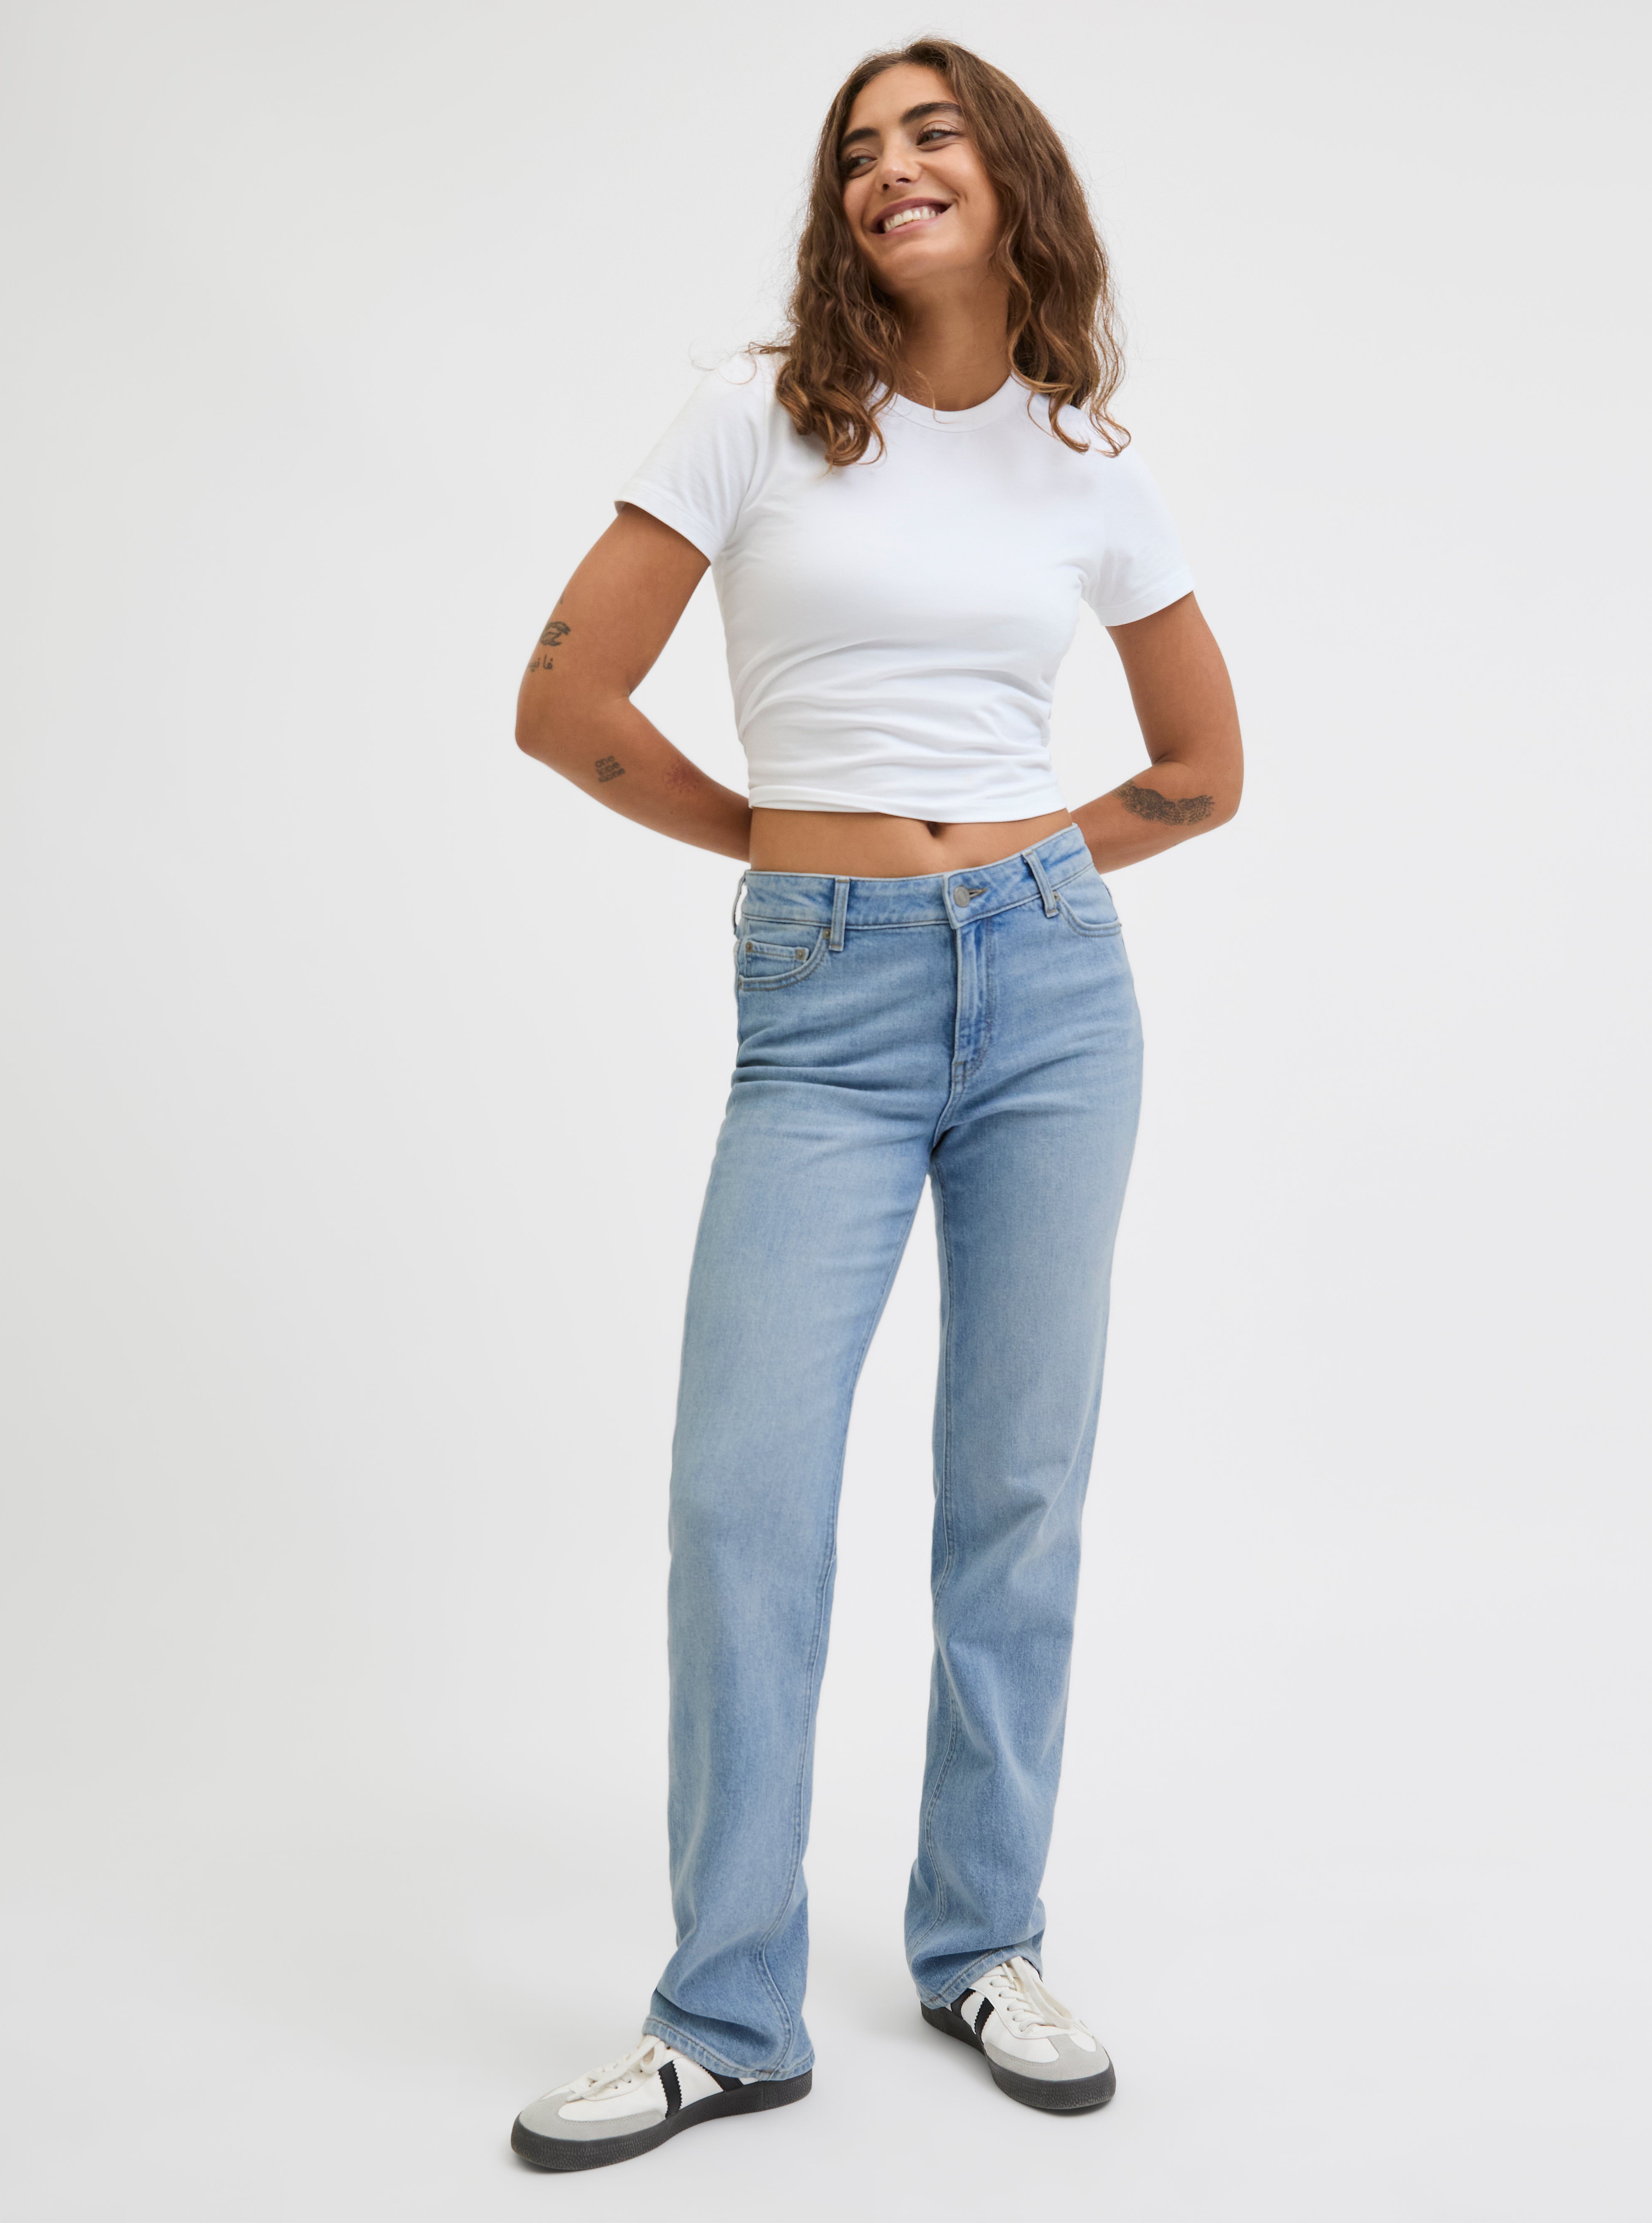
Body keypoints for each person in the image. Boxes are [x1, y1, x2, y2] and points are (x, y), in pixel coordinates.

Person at [507, 39, 1242, 2173]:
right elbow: (561, 698)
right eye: (856, 151)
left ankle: (982, 1938)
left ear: (1013, 178)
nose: (887, 169)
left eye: (931, 134)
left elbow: (1203, 770)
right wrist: (789, 844)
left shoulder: (1087, 459)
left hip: (1054, 998)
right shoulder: (757, 412)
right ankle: (726, 2010)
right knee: (743, 1499)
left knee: (1016, 1487)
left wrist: (1018, 870)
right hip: (820, 997)